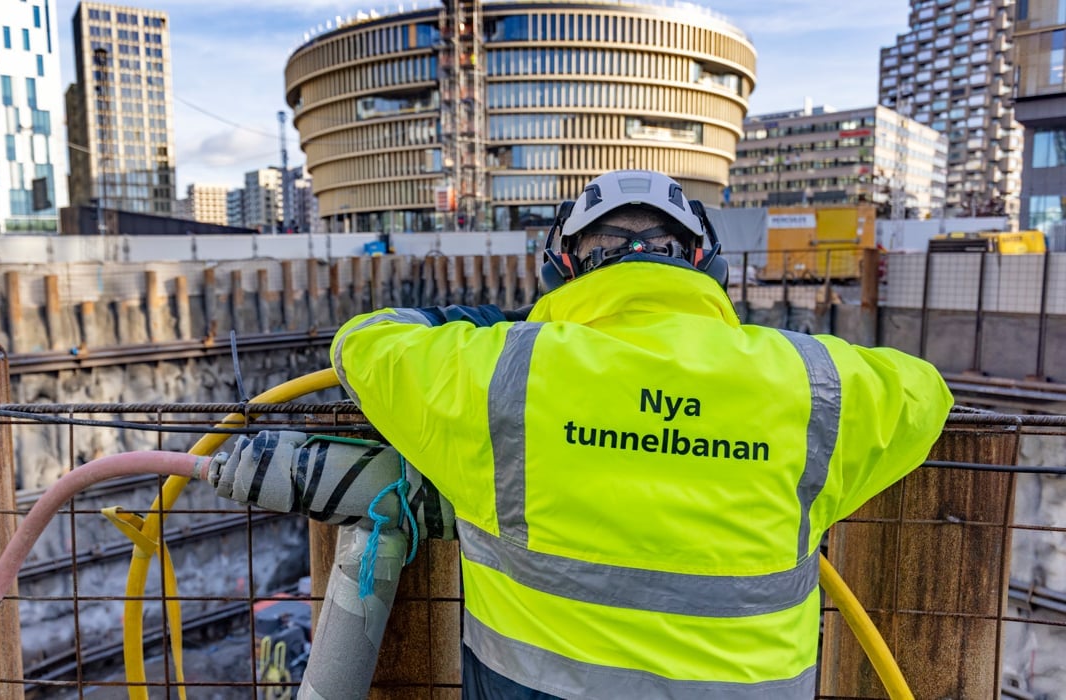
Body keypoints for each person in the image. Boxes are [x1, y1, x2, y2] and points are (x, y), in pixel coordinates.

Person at [330, 170, 953, 699]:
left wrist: (457, 323)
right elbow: (926, 392)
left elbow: (363, 344)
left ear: (560, 265)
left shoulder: (496, 372)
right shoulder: (815, 381)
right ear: (707, 264)